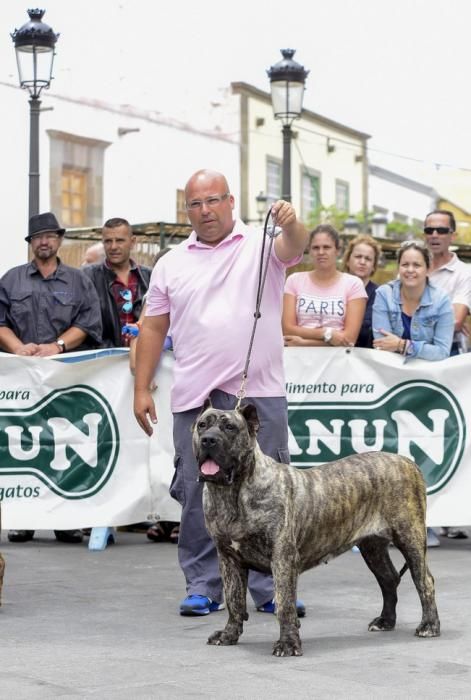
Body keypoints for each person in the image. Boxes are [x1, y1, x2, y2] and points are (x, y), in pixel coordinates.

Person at [133, 169, 308, 617]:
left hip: (258, 396)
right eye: (195, 203)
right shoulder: (171, 262)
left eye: (213, 200)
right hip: (196, 400)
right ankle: (203, 585)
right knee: (197, 492)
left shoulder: (262, 245)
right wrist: (141, 388)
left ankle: (272, 590)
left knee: (270, 495)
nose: (205, 210)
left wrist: (290, 221)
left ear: (231, 202)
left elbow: (297, 246)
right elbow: (153, 327)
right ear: (186, 210)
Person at [0, 211, 102, 544]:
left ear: (58, 240)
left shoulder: (78, 280)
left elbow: (89, 323)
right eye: (37, 237)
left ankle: (67, 520)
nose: (44, 241)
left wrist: (56, 346)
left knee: (64, 446)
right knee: (26, 446)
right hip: (23, 380)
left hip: (65, 379)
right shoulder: (11, 280)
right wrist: (20, 348)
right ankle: (23, 519)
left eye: (50, 236)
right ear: (31, 243)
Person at [423, 209, 471, 541]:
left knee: (452, 436)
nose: (435, 234)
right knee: (420, 434)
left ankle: (452, 513)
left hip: (451, 359)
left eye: (441, 229)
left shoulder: (463, 272)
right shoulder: (415, 264)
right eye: (429, 229)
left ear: (453, 234)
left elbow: (455, 320)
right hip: (415, 361)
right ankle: (428, 514)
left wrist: (412, 332)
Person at [282, 224, 367, 347]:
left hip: (338, 361)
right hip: (298, 360)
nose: (321, 252)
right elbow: (288, 330)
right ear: (309, 251)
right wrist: (327, 334)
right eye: (316, 248)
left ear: (337, 251)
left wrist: (304, 343)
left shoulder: (353, 284)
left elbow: (349, 339)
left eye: (326, 247)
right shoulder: (294, 280)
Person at [82, 218, 152, 348]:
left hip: (142, 357)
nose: (113, 247)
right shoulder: (87, 277)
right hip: (104, 361)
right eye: (108, 241)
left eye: (120, 240)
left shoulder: (150, 277)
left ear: (132, 242)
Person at [342, 234, 382, 348]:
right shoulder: (333, 288)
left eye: (368, 259)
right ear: (348, 260)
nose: (362, 262)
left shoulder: (381, 295)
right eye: (358, 256)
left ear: (374, 266)